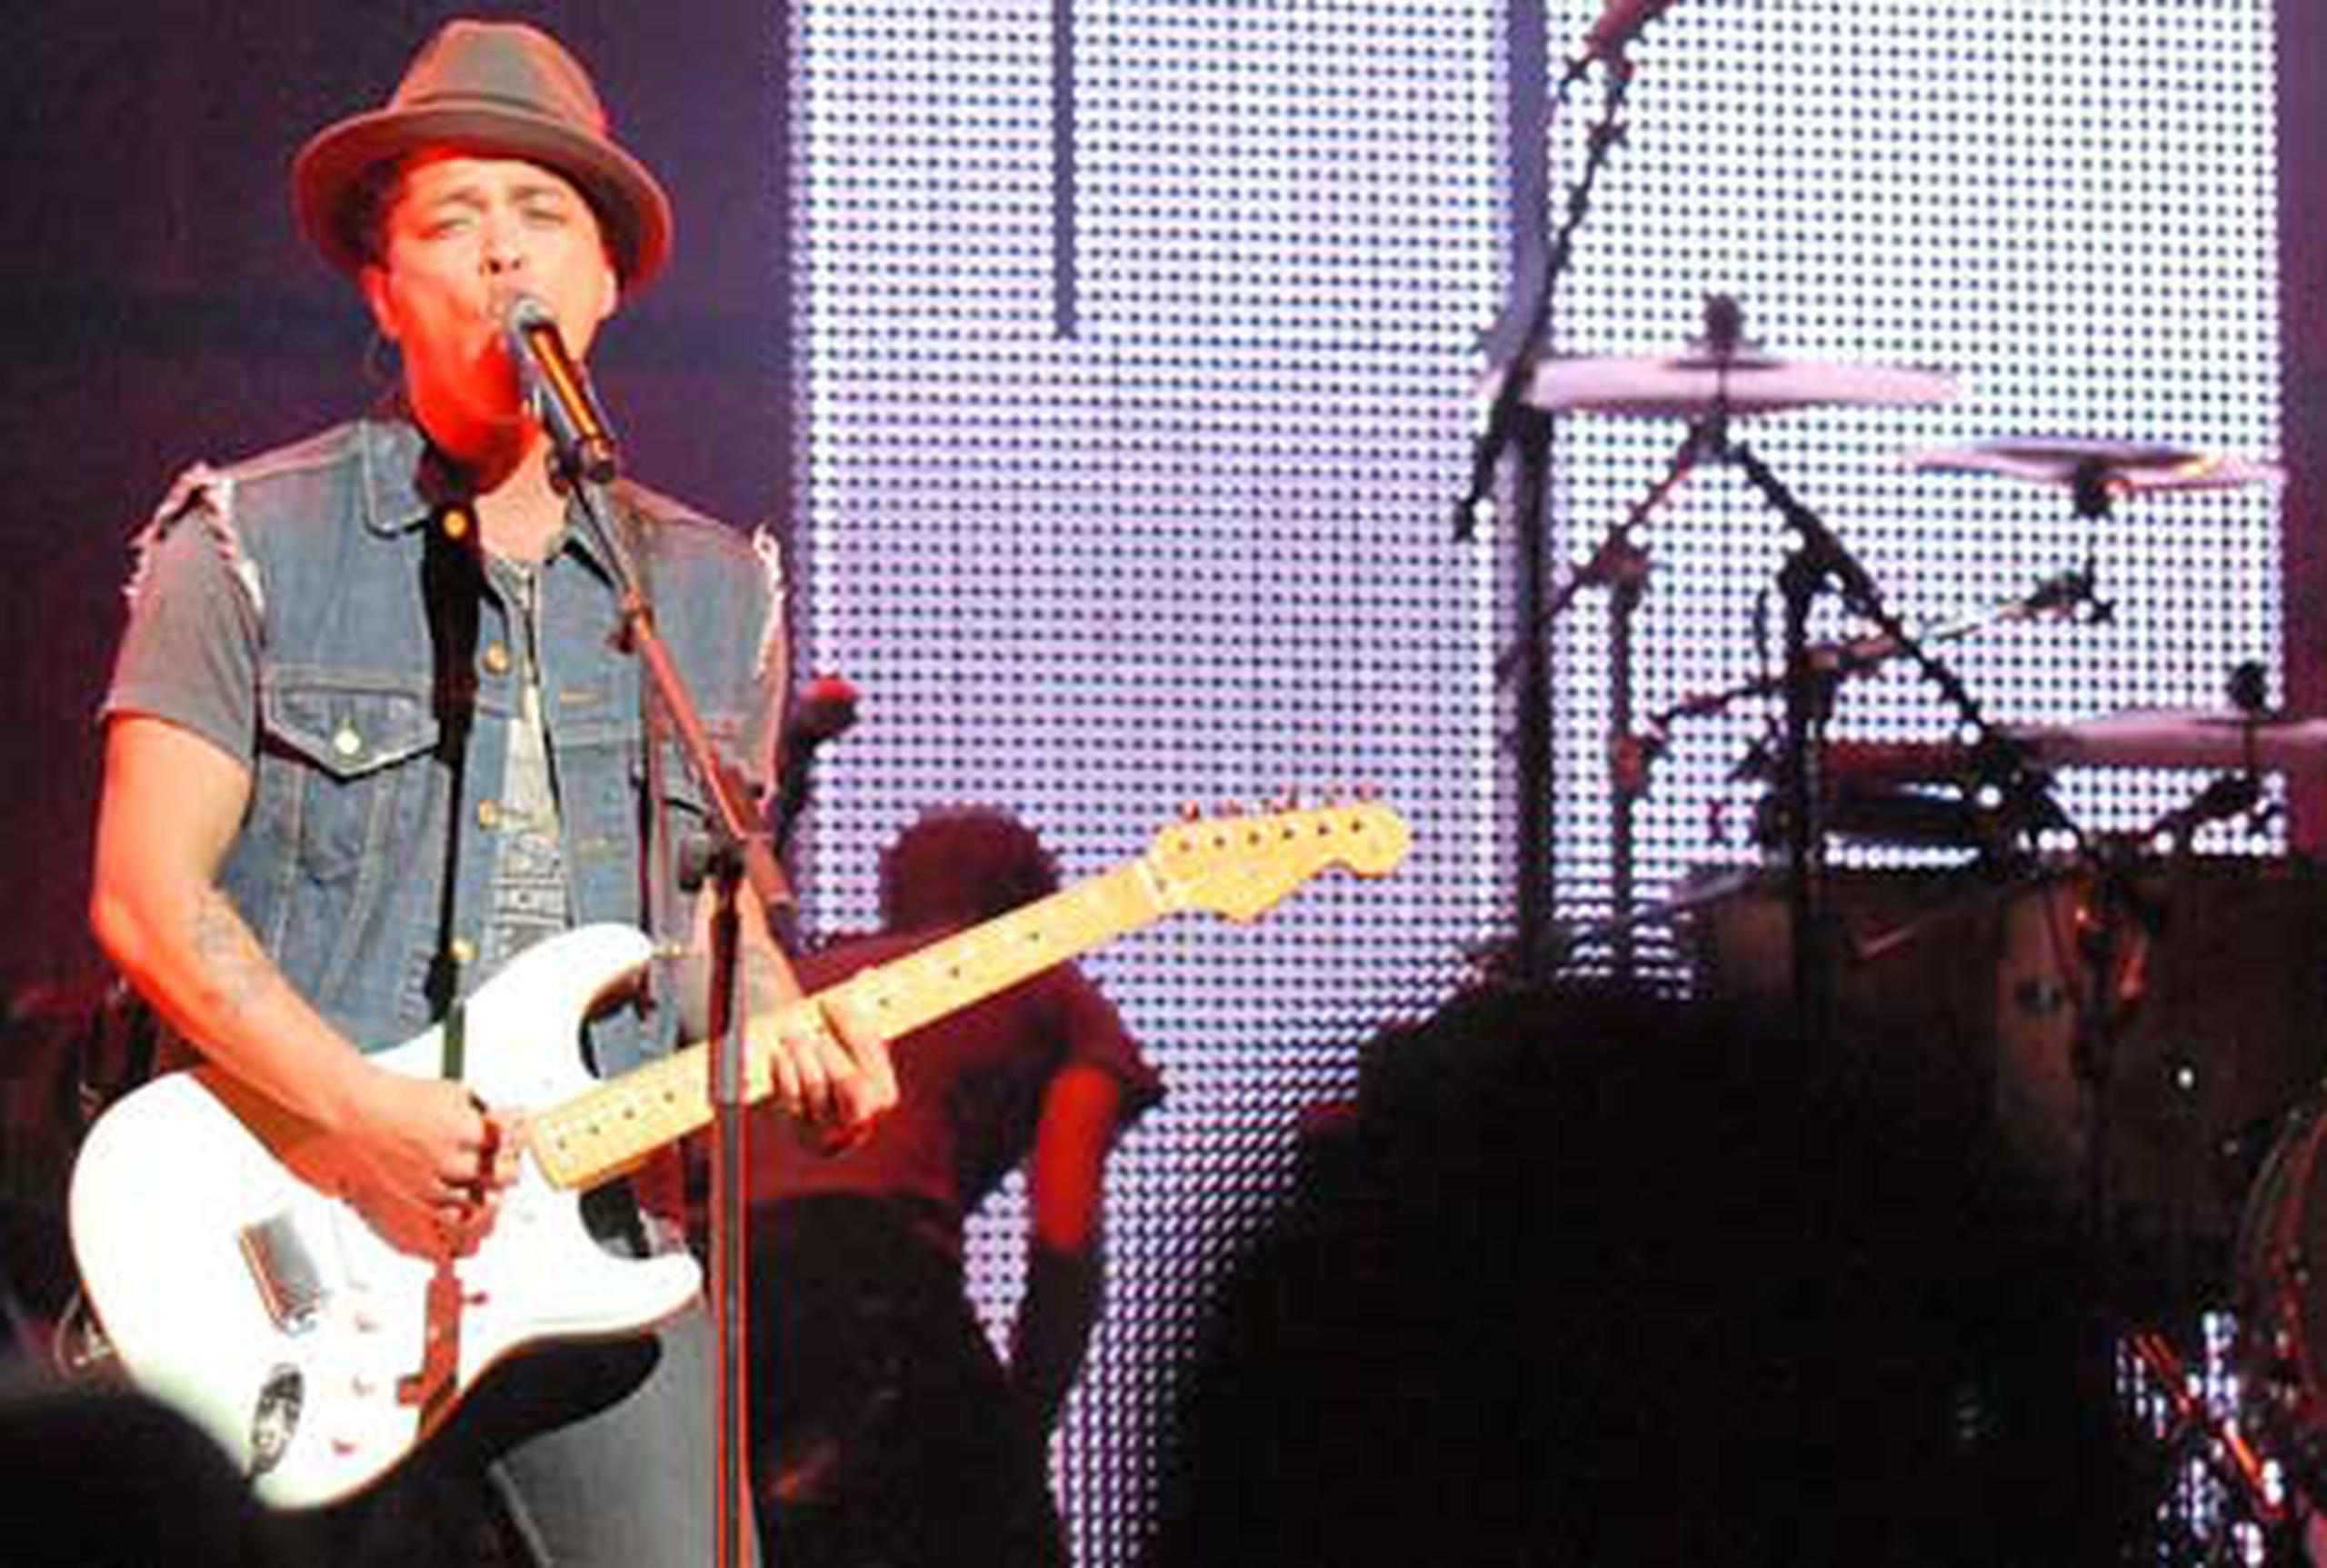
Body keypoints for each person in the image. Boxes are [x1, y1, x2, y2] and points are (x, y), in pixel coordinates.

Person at [85, 18, 894, 1566]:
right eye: (454, 221)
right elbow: (143, 892)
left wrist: (799, 1033)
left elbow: (713, 920)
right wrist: (362, 1109)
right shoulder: (248, 542)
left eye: (543, 218)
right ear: (386, 293)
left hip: (593, 1245)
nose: (502, 255)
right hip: (307, 1227)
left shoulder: (716, 594)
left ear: (606, 283)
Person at [746, 806, 1164, 1568]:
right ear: (1032, 895)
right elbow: (1064, 1230)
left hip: (728, 1318)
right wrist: (1018, 1434)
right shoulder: (1046, 985)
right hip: (877, 1306)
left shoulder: (792, 993)